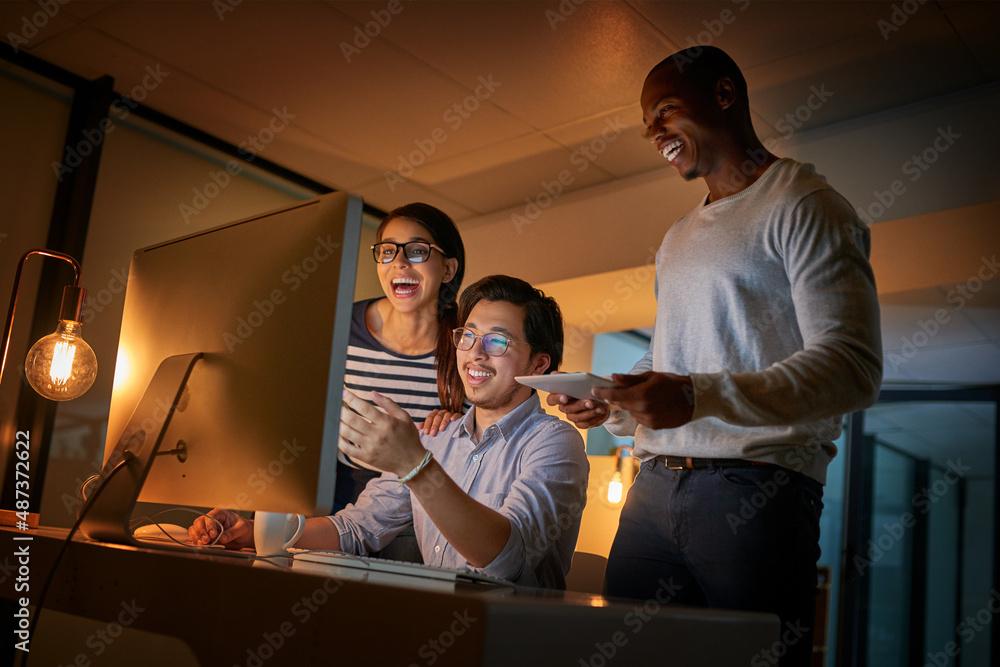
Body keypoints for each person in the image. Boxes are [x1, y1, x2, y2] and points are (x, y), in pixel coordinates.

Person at [548, 46, 882, 664]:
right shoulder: (678, 237)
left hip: (753, 494)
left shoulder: (807, 206)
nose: (654, 132)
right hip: (652, 489)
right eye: (647, 122)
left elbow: (851, 366)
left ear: (724, 96)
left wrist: (700, 395)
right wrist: (612, 402)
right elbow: (674, 362)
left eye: (666, 111)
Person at [191, 275, 590, 589]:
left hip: (512, 640)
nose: (474, 353)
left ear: (539, 365)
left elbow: (505, 562)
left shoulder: (555, 442)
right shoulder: (437, 437)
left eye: (497, 341)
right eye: (467, 335)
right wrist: (264, 534)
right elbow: (357, 528)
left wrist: (414, 464)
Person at [337, 202, 466, 562]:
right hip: (336, 495)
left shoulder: (467, 344)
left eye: (418, 250)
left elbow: (488, 431)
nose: (400, 262)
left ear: (448, 268)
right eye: (388, 250)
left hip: (416, 515)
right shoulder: (340, 326)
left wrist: (459, 427)